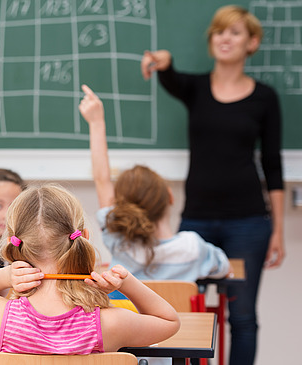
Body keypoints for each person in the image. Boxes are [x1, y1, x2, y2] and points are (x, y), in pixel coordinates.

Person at [140, 5, 284, 365]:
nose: (225, 38)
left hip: (249, 222)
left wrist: (278, 230)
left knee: (244, 317)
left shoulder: (265, 98)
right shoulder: (196, 88)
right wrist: (163, 59)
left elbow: (273, 166)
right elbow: (169, 74)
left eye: (235, 32)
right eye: (219, 31)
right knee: (185, 309)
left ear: (251, 43)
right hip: (197, 221)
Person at [0, 184, 180, 354]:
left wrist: (8, 275)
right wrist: (127, 283)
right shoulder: (110, 323)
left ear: (14, 242)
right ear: (84, 237)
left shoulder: (1, 318)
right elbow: (169, 321)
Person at [79, 84, 230, 281]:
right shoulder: (193, 248)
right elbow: (225, 268)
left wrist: (96, 122)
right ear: (170, 196)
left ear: (122, 205)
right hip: (173, 313)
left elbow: (102, 179)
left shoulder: (119, 243)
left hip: (128, 313)